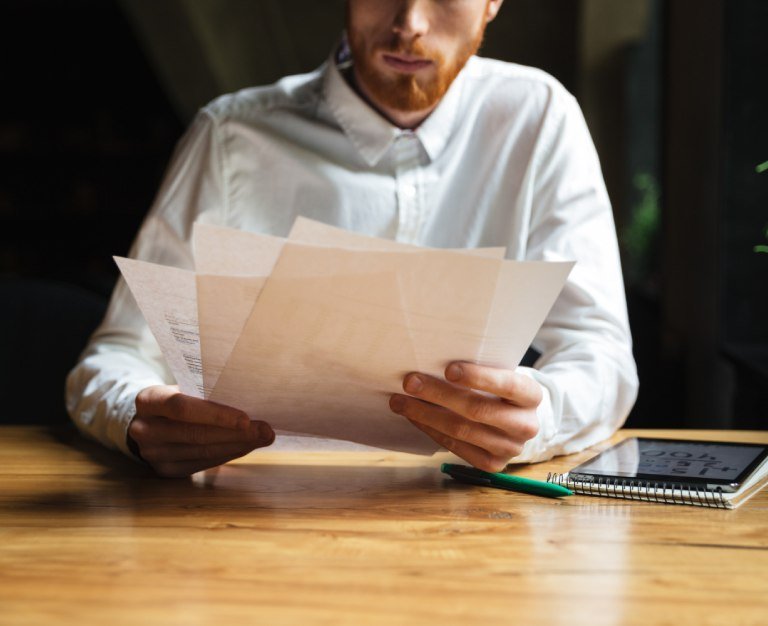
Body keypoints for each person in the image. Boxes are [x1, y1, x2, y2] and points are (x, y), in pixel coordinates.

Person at [67, 0, 638, 477]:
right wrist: (136, 420)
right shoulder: (230, 138)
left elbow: (602, 352)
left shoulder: (539, 119)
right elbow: (116, 356)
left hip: (465, 519)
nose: (410, 23)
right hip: (252, 517)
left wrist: (542, 418)